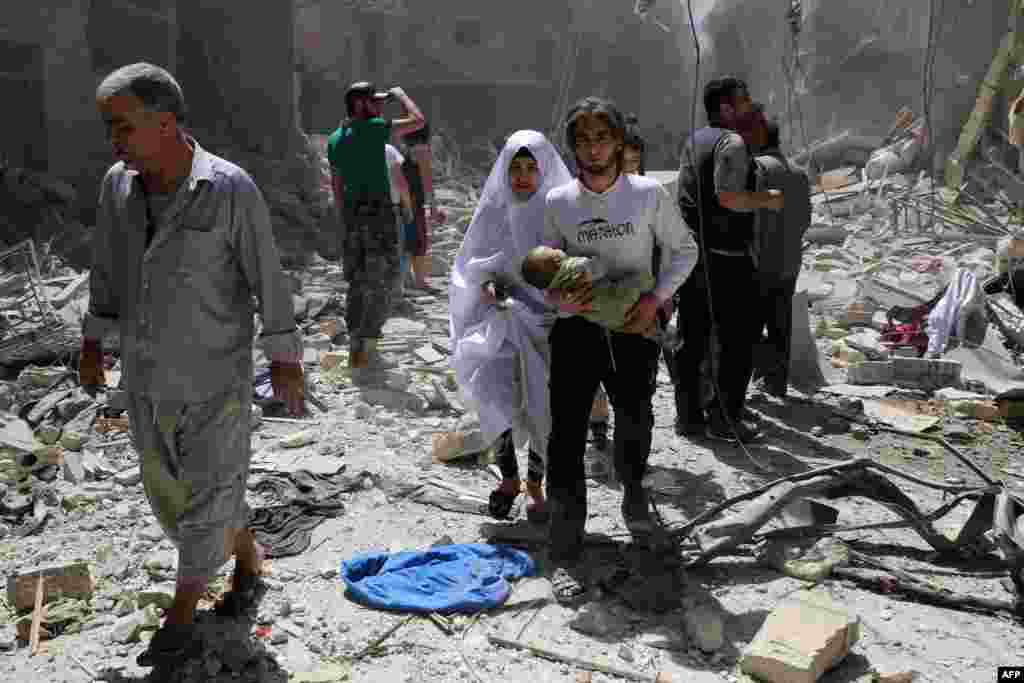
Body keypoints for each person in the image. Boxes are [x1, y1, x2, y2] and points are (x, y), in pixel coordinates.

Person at [82, 63, 304, 668]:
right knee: (167, 491)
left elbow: (269, 278)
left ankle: (182, 610)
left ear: (167, 122)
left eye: (123, 127)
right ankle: (249, 560)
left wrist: (284, 360)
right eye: (109, 128)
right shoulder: (116, 187)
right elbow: (106, 270)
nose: (114, 140)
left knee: (208, 487)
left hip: (217, 374)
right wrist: (93, 340)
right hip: (146, 373)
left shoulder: (229, 188)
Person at [542, 97, 698, 603]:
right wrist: (556, 292)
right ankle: (566, 546)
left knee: (635, 419)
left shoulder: (648, 194)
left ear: (619, 141)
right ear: (573, 147)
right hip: (576, 332)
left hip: (633, 327)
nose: (593, 148)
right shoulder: (558, 202)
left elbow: (685, 250)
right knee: (565, 435)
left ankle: (634, 502)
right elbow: (545, 270)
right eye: (583, 140)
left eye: (602, 137)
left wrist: (657, 299)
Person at [449, 131, 574, 523]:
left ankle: (536, 484)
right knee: (493, 398)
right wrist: (486, 285)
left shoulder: (560, 212)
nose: (521, 177)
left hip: (545, 325)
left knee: (542, 409)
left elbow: (572, 265)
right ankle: (509, 479)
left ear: (544, 171)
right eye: (514, 169)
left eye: (529, 169)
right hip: (500, 322)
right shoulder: (494, 210)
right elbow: (475, 262)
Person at [672, 78, 783, 443]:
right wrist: (767, 199)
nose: (750, 106)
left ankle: (688, 419)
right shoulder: (731, 142)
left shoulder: (694, 140)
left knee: (692, 341)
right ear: (726, 109)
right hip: (726, 261)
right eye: (744, 101)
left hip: (691, 258)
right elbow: (728, 197)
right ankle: (725, 420)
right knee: (738, 343)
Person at [328, 81, 425, 369]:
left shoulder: (335, 138)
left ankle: (356, 347)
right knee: (386, 280)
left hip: (351, 219)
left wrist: (343, 221)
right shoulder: (372, 130)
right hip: (379, 218)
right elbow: (418, 121)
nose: (381, 106)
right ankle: (367, 348)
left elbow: (336, 184)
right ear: (361, 104)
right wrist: (403, 95)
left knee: (357, 282)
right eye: (376, 101)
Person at [587, 114, 649, 451]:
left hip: (638, 299)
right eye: (627, 162)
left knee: (633, 379)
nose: (632, 170)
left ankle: (630, 441)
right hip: (599, 297)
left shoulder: (648, 196)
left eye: (637, 163)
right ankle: (598, 426)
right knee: (598, 371)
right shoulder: (589, 196)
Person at [749, 119, 811, 397]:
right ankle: (777, 382)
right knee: (780, 321)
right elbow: (805, 219)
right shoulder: (799, 172)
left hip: (760, 262)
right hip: (789, 261)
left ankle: (755, 377)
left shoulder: (757, 168)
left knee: (750, 323)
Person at [521, 246, 665, 341]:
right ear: (557, 260)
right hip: (616, 296)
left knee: (626, 321)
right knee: (641, 281)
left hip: (604, 315)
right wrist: (596, 261)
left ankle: (653, 331)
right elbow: (599, 268)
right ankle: (658, 329)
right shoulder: (572, 266)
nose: (555, 247)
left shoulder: (555, 291)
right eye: (552, 249)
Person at [397, 113, 446, 292]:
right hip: (413, 203)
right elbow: (427, 182)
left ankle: (405, 282)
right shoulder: (422, 150)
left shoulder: (402, 148)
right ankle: (419, 282)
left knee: (405, 242)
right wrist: (433, 208)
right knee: (418, 242)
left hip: (399, 201)